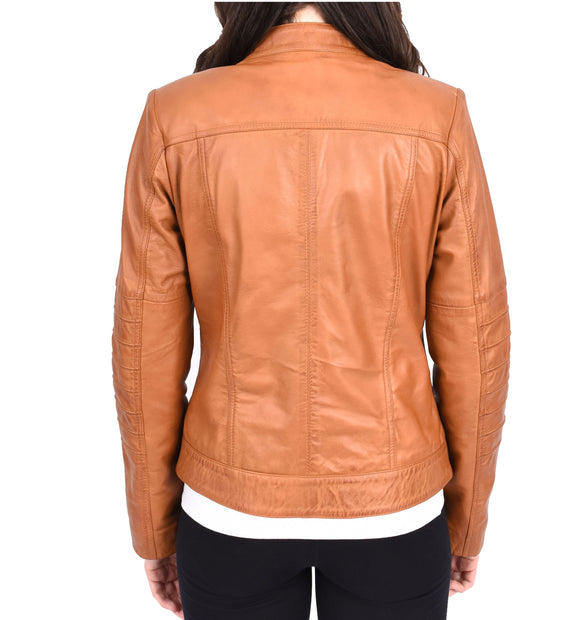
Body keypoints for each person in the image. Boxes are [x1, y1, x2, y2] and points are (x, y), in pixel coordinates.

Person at [111, 2, 511, 619]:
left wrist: (155, 527)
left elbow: (144, 351)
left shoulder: (177, 115)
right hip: (394, 508)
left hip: (230, 506)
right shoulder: (436, 116)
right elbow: (477, 342)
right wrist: (465, 518)